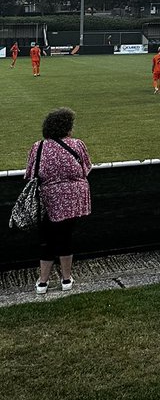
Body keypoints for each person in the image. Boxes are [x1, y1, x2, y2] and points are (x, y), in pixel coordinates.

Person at [25, 108, 92, 293]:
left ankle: (43, 282)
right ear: (67, 128)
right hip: (73, 201)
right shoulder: (77, 145)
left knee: (46, 239)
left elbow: (31, 174)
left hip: (47, 200)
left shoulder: (38, 147)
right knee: (65, 237)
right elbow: (86, 169)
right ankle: (66, 279)